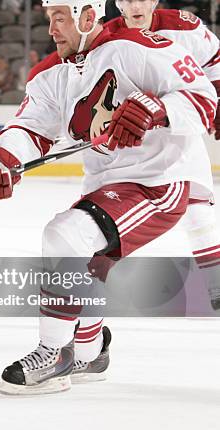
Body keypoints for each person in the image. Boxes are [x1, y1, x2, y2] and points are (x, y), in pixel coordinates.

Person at [0, 0, 216, 394]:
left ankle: (54, 352)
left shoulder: (142, 47)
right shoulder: (50, 73)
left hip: (159, 181)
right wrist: (2, 160)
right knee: (84, 265)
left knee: (64, 236)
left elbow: (204, 98)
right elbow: (30, 128)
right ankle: (90, 350)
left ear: (88, 17)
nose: (52, 29)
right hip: (105, 186)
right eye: (48, 19)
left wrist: (158, 107)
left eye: (60, 19)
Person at [105, 1, 220, 311]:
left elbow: (214, 58)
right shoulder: (105, 36)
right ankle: (90, 279)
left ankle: (216, 284)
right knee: (105, 212)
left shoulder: (183, 26)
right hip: (131, 139)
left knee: (197, 208)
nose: (135, 4)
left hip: (176, 127)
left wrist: (218, 97)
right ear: (118, 3)